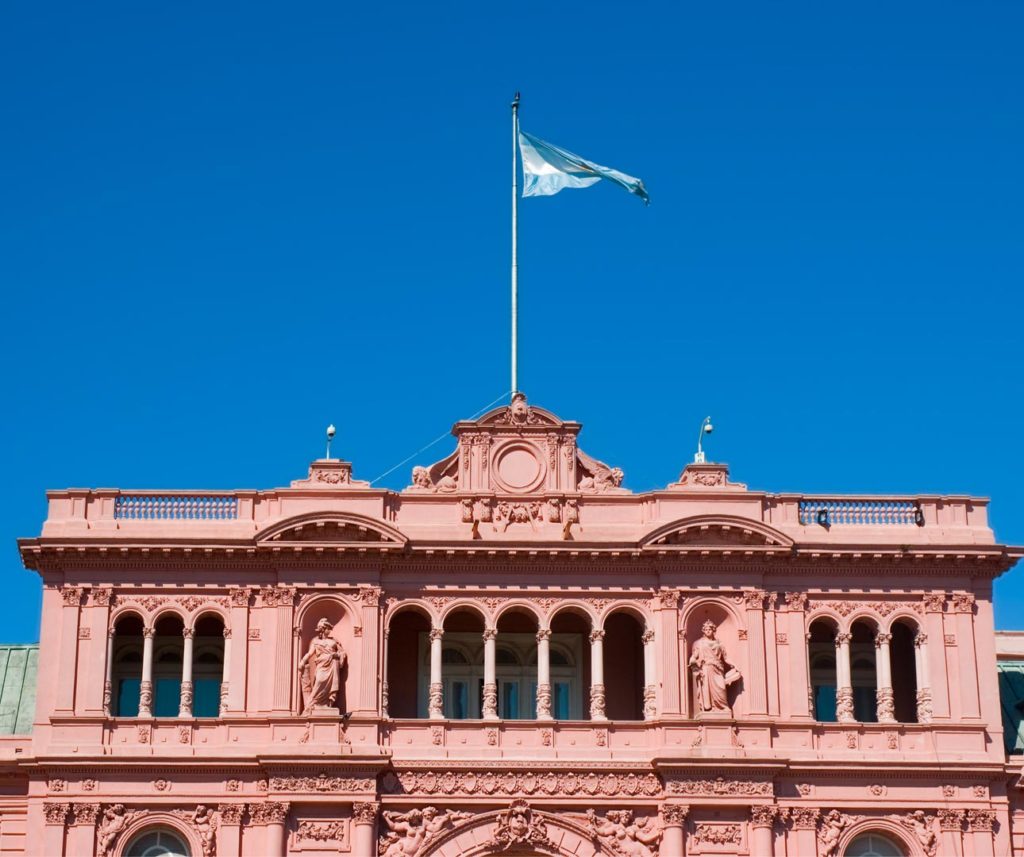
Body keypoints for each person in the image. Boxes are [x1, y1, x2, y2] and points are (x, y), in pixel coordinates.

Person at [689, 621, 738, 712]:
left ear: (713, 630)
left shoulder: (719, 644)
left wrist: (734, 665)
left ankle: (722, 706)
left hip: (718, 669)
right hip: (706, 669)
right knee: (707, 690)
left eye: (710, 629)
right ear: (703, 631)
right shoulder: (699, 643)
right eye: (706, 630)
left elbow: (726, 658)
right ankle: (710, 708)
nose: (708, 631)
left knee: (721, 688)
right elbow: (694, 657)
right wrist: (693, 663)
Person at [299, 618, 345, 713]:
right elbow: (310, 653)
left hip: (332, 665)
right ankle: (312, 704)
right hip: (322, 665)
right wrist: (303, 661)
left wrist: (337, 655)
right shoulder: (316, 641)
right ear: (323, 629)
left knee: (332, 686)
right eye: (328, 628)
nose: (329, 630)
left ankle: (327, 704)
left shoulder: (334, 641)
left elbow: (342, 653)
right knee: (319, 681)